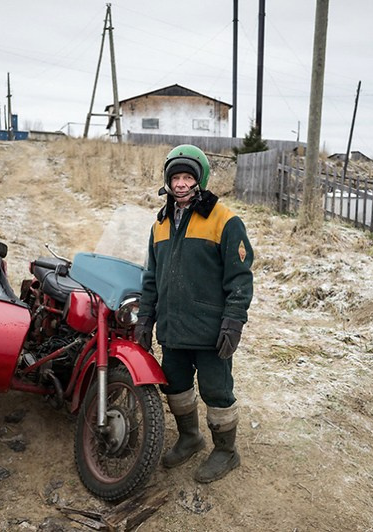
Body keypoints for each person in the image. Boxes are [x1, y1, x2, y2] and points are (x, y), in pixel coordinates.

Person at [134, 144, 254, 483]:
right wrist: (145, 319)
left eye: (188, 177)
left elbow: (240, 277)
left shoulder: (225, 220)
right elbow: (150, 279)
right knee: (176, 386)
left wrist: (233, 322)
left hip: (210, 329)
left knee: (216, 391)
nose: (182, 184)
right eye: (176, 177)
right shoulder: (159, 224)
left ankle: (226, 451)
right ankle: (190, 437)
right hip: (173, 329)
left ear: (199, 179)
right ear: (168, 182)